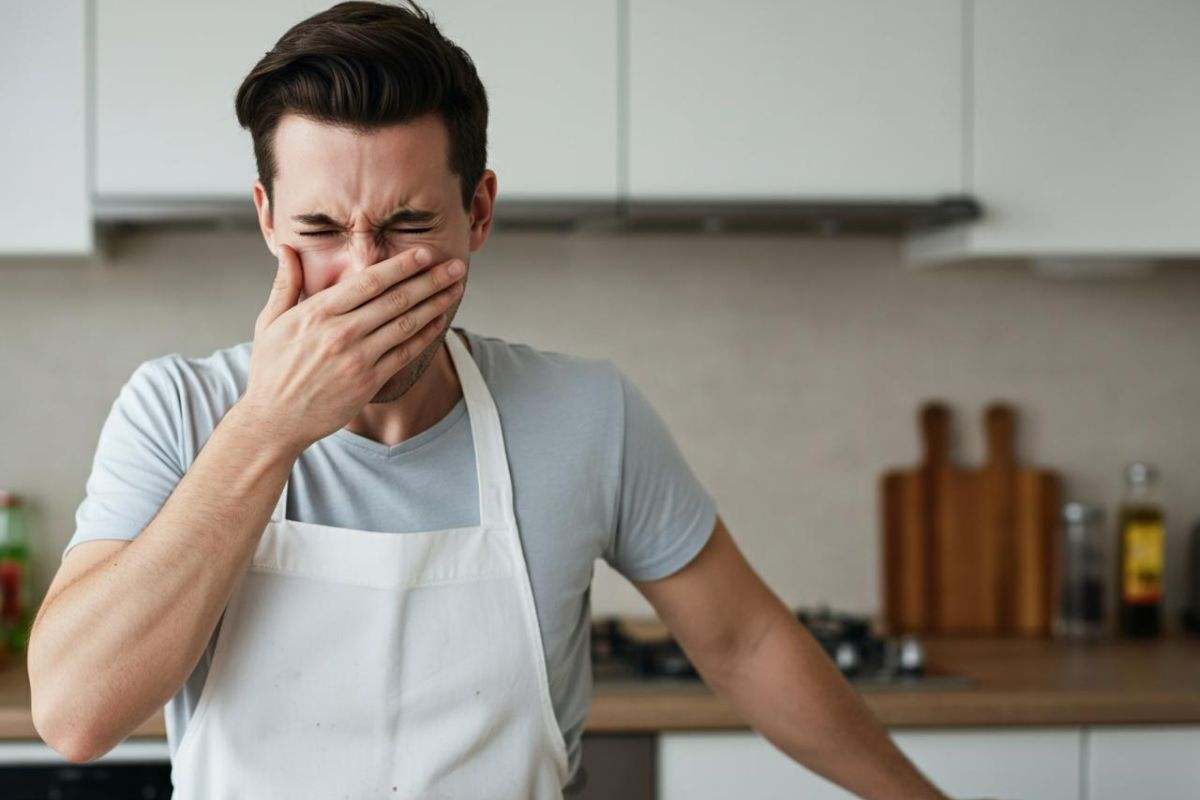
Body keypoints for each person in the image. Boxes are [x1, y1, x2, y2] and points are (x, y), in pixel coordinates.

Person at [28, 2, 950, 798]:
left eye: (408, 224)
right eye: (320, 229)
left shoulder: (586, 416)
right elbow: (74, 715)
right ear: (268, 218)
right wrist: (268, 427)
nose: (366, 275)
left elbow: (745, 643)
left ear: (478, 213)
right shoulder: (179, 410)